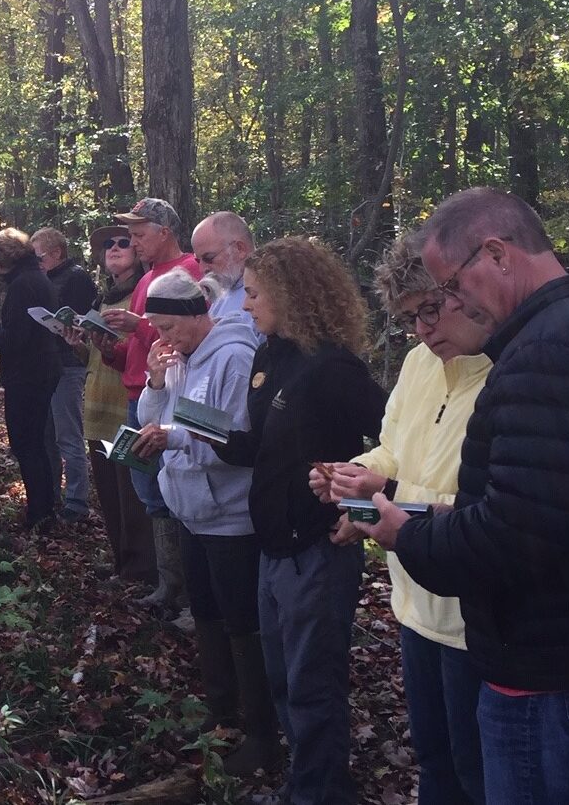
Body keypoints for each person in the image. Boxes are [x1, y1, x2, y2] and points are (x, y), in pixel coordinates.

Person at [351, 188, 569, 803]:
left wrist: (403, 530)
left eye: (450, 291)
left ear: (495, 254)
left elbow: (517, 531)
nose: (451, 307)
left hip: (547, 668)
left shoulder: (538, 355)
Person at [308, 233, 490, 804]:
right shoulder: (418, 364)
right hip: (412, 600)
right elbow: (391, 448)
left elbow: (482, 506)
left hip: (474, 616)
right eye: (410, 317)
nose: (422, 330)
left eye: (429, 310)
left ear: (465, 292)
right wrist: (351, 474)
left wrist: (384, 489)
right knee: (433, 759)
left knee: (476, 769)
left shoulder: (506, 375)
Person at [208, 237, 387, 805]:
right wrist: (199, 431)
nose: (245, 306)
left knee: (313, 682)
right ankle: (305, 782)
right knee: (283, 676)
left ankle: (323, 792)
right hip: (273, 546)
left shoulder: (334, 368)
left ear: (291, 294)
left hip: (318, 547)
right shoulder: (270, 355)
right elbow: (259, 446)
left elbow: (399, 447)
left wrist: (358, 512)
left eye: (255, 294)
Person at [133, 268, 278, 776]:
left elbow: (236, 439)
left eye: (168, 327)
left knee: (243, 621)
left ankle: (262, 730)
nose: (162, 338)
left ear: (197, 316)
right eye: (155, 328)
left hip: (231, 515)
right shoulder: (181, 358)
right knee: (208, 613)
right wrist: (155, 380)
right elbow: (157, 413)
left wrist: (172, 437)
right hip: (191, 510)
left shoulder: (234, 357)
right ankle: (221, 713)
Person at [101, 198, 201, 615]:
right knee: (150, 491)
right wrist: (106, 346)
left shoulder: (191, 271)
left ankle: (189, 592)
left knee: (174, 489)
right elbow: (136, 353)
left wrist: (137, 325)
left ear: (165, 232)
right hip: (138, 396)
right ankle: (168, 584)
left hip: (170, 396)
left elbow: (184, 335)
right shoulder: (146, 280)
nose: (135, 243)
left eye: (141, 234)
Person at [0, 228, 61, 532]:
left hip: (28, 375)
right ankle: (45, 507)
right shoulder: (38, 279)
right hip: (42, 370)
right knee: (36, 443)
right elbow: (25, 329)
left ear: (6, 259)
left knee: (27, 445)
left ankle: (40, 513)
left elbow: (18, 339)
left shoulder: (23, 285)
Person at [79, 226, 154, 583]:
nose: (114, 249)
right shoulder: (102, 298)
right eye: (107, 244)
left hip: (129, 408)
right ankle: (121, 563)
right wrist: (75, 341)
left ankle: (141, 573)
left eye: (124, 242)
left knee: (134, 499)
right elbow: (92, 357)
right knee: (109, 495)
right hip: (97, 406)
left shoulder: (145, 292)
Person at [31, 228, 97, 524]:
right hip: (46, 364)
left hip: (68, 363)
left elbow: (81, 320)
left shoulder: (77, 278)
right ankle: (52, 495)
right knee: (46, 434)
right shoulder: (44, 277)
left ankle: (77, 501)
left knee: (68, 434)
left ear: (56, 253)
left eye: (39, 256)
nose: (37, 262)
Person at [190, 211, 256, 327]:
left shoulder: (270, 293)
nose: (202, 269)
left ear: (239, 249)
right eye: (198, 260)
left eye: (208, 258)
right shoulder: (223, 293)